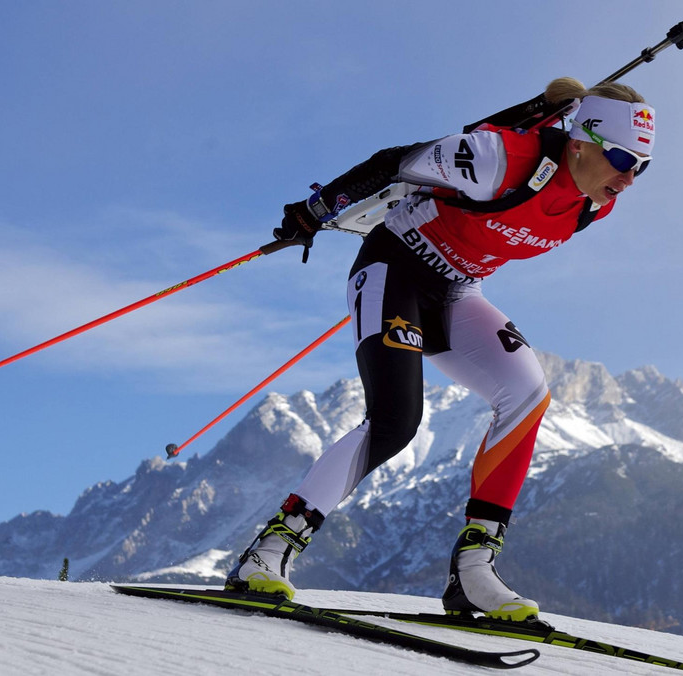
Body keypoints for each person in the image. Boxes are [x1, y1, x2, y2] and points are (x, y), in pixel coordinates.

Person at [225, 77, 655, 622]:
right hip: (396, 266)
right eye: (621, 156)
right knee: (396, 421)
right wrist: (315, 210)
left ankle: (474, 574)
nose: (630, 176)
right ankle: (267, 553)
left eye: (643, 164)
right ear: (580, 141)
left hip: (456, 291)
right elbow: (395, 161)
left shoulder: (595, 205)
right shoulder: (501, 157)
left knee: (528, 392)